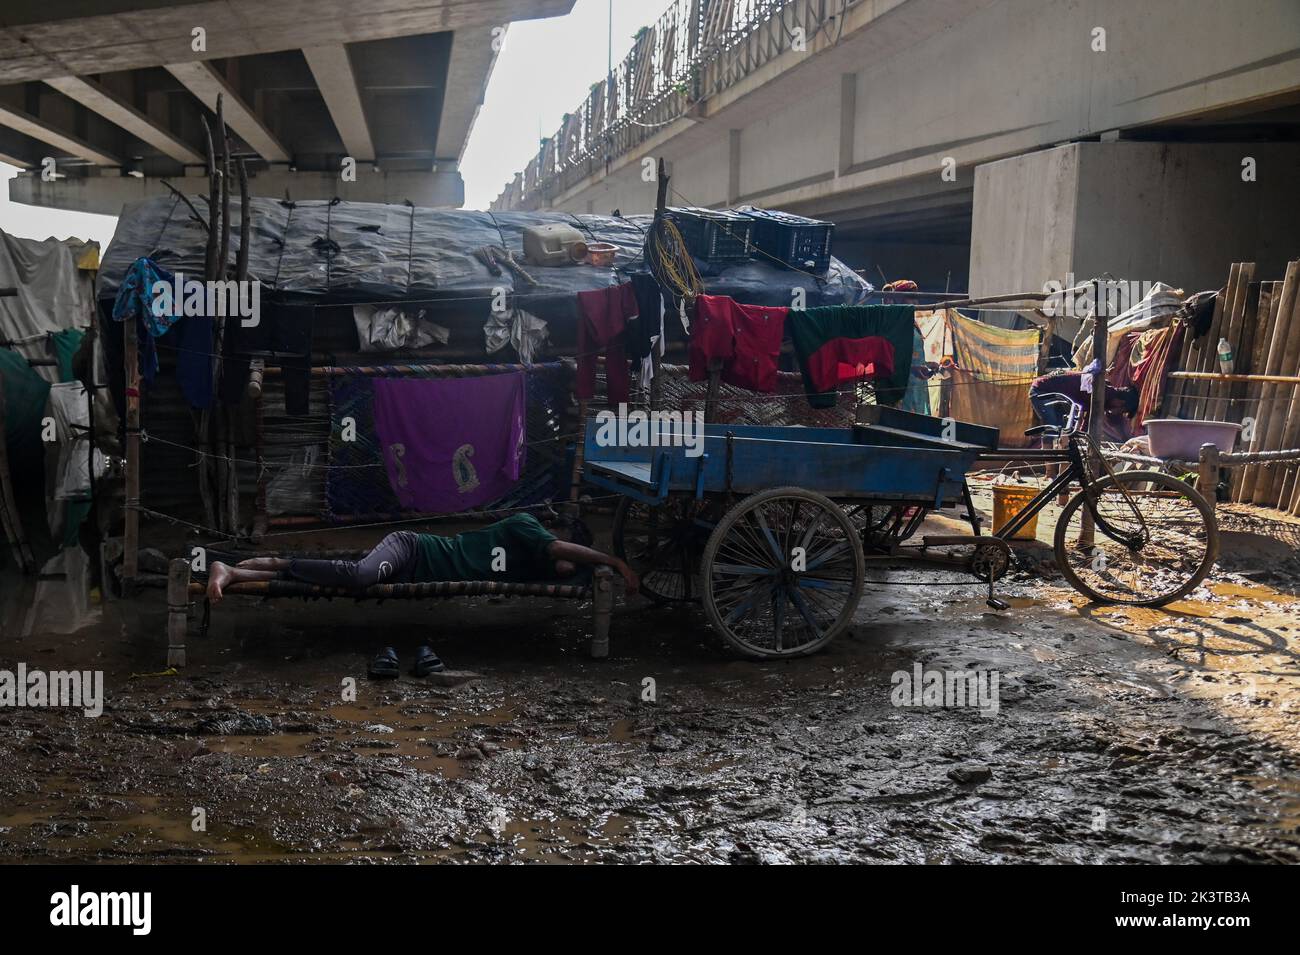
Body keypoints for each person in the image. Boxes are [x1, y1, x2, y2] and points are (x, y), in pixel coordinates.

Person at [205, 513, 640, 604]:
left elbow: (567, 569)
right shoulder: (526, 527)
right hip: (413, 547)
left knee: (354, 574)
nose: (566, 566)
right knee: (358, 575)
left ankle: (236, 571)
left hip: (411, 564)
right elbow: (562, 551)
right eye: (568, 557)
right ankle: (229, 568)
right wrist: (616, 562)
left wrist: (591, 573)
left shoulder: (534, 568)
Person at [1029, 371, 1139, 443]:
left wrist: (1128, 441)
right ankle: (1049, 473)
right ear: (1120, 402)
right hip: (1041, 389)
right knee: (1052, 426)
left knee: (1063, 431)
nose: (1119, 412)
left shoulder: (1110, 402)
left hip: (1058, 396)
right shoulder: (1103, 393)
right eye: (1122, 410)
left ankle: (1056, 470)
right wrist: (1081, 438)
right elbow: (1089, 421)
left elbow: (1117, 424)